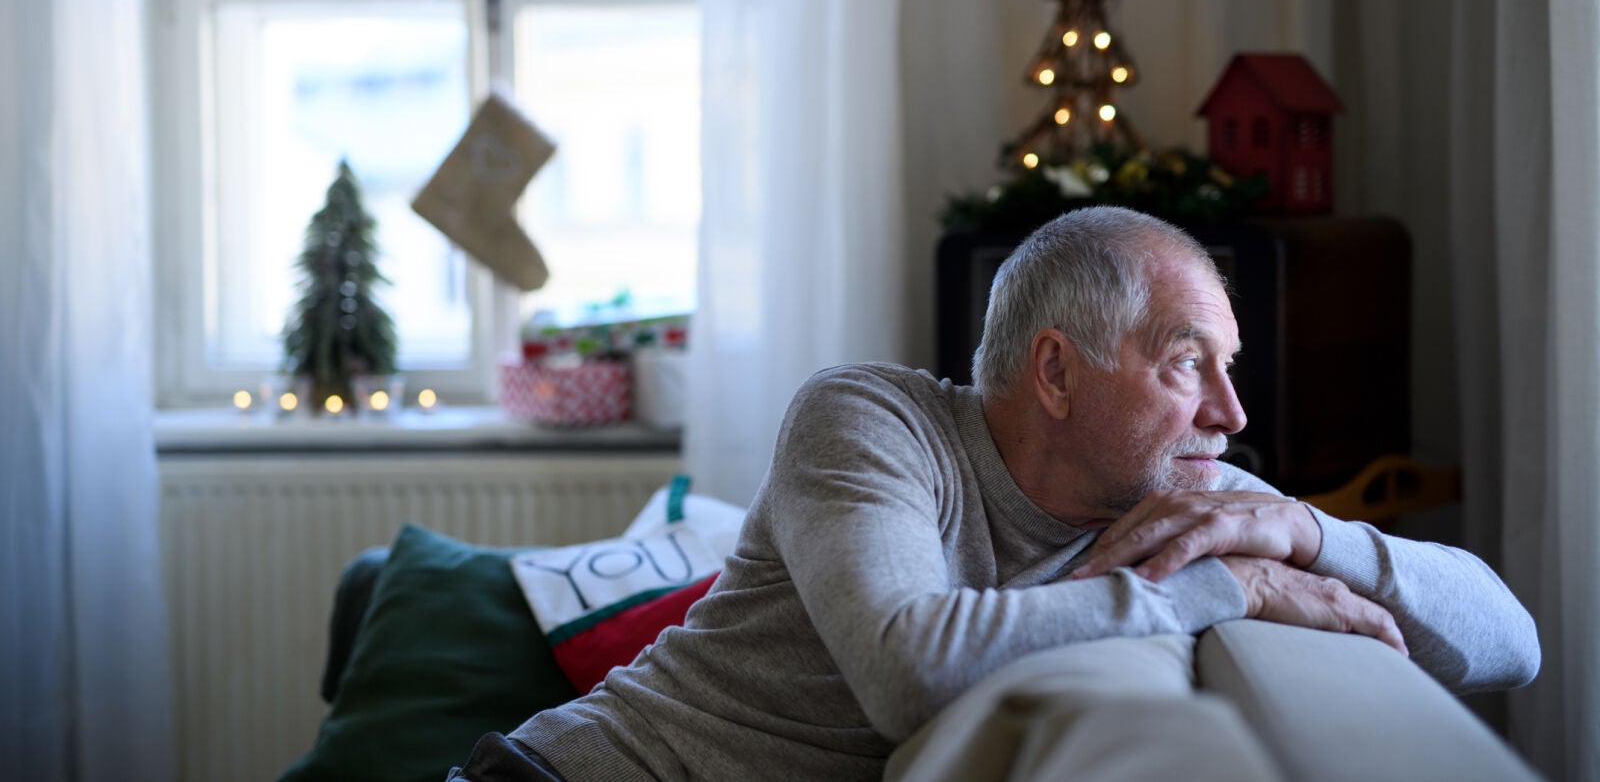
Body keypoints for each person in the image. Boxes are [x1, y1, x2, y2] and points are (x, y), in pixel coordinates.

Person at [450, 206, 1539, 782]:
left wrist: (1308, 530)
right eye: (1184, 363)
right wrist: (1233, 592)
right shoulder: (872, 423)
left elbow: (1509, 645)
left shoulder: (1186, 493)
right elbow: (909, 666)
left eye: (1231, 367)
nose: (1230, 413)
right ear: (1057, 372)